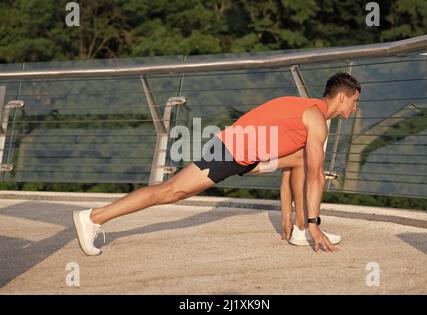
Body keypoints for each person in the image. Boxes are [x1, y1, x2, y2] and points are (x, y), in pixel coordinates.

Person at [73, 71, 361, 255]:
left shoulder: (307, 111)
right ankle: (94, 217)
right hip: (230, 152)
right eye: (354, 102)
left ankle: (298, 229)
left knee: (301, 159)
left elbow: (298, 169)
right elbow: (317, 178)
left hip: (248, 158)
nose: (355, 108)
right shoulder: (316, 120)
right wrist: (315, 224)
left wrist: (290, 215)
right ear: (341, 97)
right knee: (172, 191)